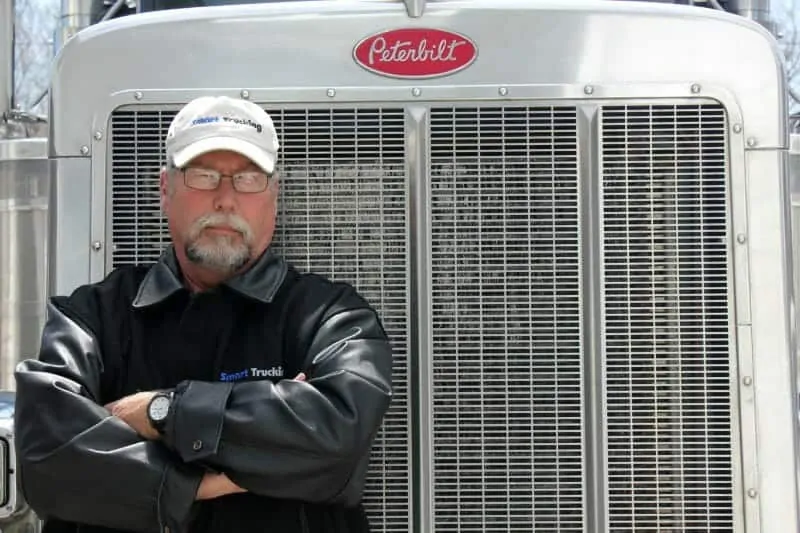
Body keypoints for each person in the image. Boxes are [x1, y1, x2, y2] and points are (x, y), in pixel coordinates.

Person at [12, 95, 394, 533]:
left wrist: (161, 413)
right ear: (165, 190)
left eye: (248, 179)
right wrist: (200, 483)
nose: (226, 199)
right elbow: (46, 457)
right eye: (204, 176)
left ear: (274, 197)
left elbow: (337, 435)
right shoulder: (92, 318)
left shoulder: (332, 319)